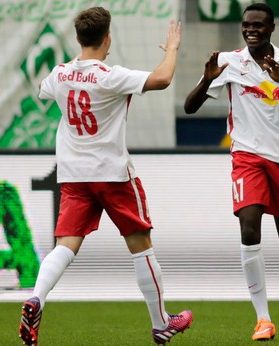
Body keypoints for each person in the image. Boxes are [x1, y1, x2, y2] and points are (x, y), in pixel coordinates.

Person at [18, 7, 192, 346]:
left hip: (74, 176)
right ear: (107, 38)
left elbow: (42, 87)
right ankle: (161, 324)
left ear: (79, 38)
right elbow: (162, 79)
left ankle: (37, 298)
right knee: (141, 245)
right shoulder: (110, 76)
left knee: (66, 245)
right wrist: (171, 49)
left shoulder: (61, 75)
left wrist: (68, 72)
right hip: (112, 174)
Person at [184, 2, 279, 342]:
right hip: (247, 158)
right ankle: (263, 319)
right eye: (247, 24)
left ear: (272, 28)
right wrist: (206, 80)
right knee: (249, 228)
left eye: (259, 25)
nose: (251, 29)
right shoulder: (230, 62)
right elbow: (190, 107)